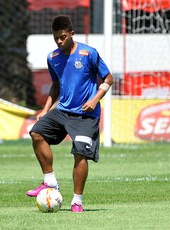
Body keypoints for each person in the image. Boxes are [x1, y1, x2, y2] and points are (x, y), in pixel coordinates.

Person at [26, 15, 114, 213]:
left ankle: (77, 202)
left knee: (80, 153)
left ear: (72, 34)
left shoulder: (88, 53)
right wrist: (45, 109)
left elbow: (108, 78)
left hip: (86, 115)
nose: (59, 41)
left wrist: (95, 100)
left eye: (63, 37)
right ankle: (50, 183)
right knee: (36, 133)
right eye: (56, 37)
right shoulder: (53, 58)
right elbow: (56, 85)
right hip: (63, 111)